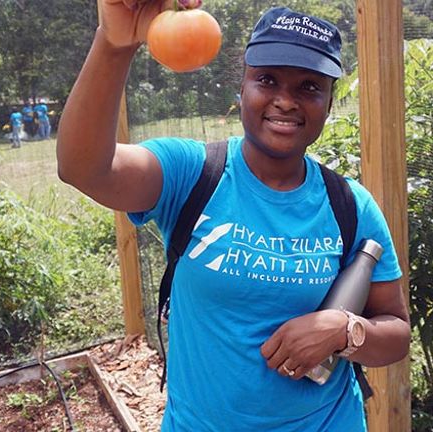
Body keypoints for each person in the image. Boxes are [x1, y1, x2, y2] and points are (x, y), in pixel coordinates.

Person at [57, 3, 410, 431]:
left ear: (328, 103)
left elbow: (395, 332)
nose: (285, 100)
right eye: (267, 79)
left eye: (309, 86)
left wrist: (344, 331)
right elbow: (83, 168)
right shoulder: (191, 174)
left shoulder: (350, 205)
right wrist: (113, 44)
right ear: (240, 88)